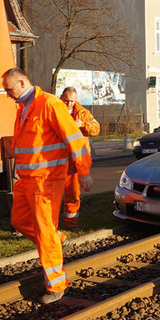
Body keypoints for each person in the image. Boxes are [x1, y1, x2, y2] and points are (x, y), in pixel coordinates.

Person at [2, 68, 93, 304]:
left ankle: (56, 285)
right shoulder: (23, 107)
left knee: (44, 233)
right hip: (26, 180)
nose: (7, 94)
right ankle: (57, 239)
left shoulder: (49, 104)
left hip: (46, 181)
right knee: (19, 222)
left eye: (8, 89)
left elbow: (73, 136)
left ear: (21, 82)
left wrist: (82, 170)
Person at [59, 87, 100, 230]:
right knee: (51, 195)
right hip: (57, 160)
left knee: (73, 195)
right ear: (61, 97)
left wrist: (82, 124)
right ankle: (48, 227)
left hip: (75, 161)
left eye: (72, 101)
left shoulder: (83, 113)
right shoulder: (56, 110)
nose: (69, 104)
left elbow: (96, 128)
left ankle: (70, 225)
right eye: (66, 100)